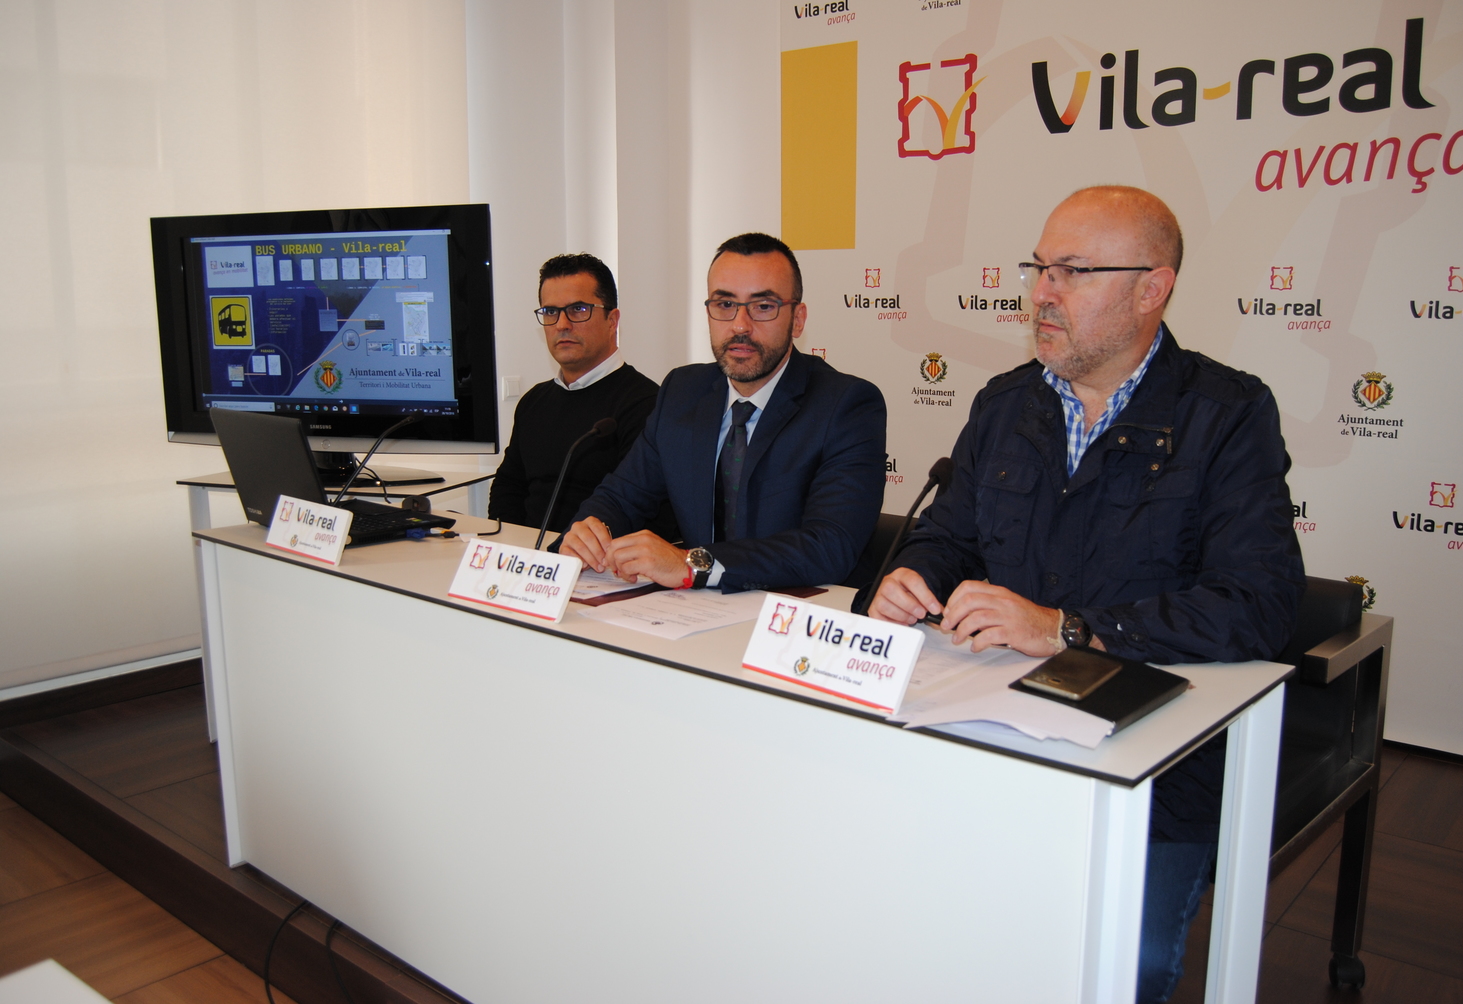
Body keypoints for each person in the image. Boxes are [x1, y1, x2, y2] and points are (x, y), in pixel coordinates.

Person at [868, 186, 1304, 1003]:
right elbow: (948, 535)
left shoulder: (1227, 414)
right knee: (916, 926)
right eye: (1040, 268)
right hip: (991, 734)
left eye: (1072, 271)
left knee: (1115, 971)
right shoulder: (1006, 402)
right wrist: (913, 575)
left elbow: (1259, 602)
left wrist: (1070, 629)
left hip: (1157, 768)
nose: (1041, 292)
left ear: (1151, 289)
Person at [559, 233, 886, 593]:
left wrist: (693, 564)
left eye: (763, 306)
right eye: (725, 304)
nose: (740, 325)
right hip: (702, 611)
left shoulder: (846, 405)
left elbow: (829, 546)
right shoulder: (682, 391)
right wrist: (589, 532)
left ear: (797, 319)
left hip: (802, 609)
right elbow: (623, 496)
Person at [489, 253, 674, 538]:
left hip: (597, 559)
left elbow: (642, 511)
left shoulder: (647, 405)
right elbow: (508, 488)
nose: (561, 324)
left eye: (577, 309)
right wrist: (510, 545)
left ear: (612, 320)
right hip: (528, 555)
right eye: (550, 311)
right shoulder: (533, 402)